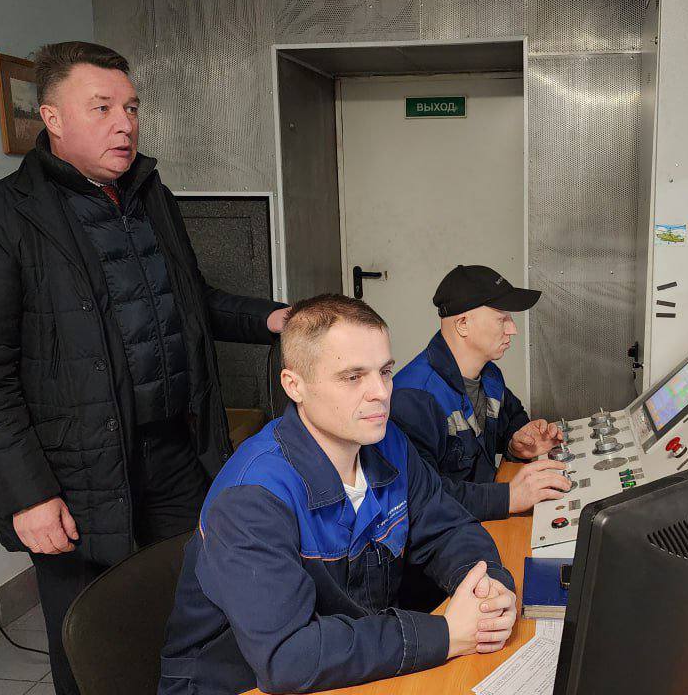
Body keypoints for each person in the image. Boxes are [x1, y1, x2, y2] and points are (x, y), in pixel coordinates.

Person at [0, 41, 288, 695]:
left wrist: (277, 319)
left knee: (199, 613)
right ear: (52, 118)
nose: (125, 123)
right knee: (94, 644)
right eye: (102, 108)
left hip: (177, 455)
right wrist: (27, 494)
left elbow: (193, 303)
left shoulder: (151, 200)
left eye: (131, 107)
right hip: (77, 477)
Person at [160, 294, 518, 694]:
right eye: (353, 377)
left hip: (343, 669)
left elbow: (449, 528)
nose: (380, 392)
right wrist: (445, 634)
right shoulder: (252, 497)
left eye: (385, 371)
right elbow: (288, 657)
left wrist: (490, 588)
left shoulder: (388, 443)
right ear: (294, 385)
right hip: (238, 686)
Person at [391, 265, 570, 523]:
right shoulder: (413, 399)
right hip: (443, 534)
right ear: (463, 324)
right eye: (502, 319)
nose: (513, 329)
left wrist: (518, 442)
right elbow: (424, 498)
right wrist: (507, 497)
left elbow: (512, 417)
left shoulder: (489, 374)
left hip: (479, 516)